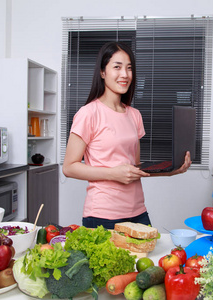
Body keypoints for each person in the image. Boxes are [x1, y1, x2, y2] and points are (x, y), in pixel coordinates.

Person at [62, 42, 191, 229]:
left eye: (129, 68)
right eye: (117, 67)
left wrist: (172, 171)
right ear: (102, 72)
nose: (125, 74)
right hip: (102, 215)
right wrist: (113, 173)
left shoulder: (134, 115)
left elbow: (134, 169)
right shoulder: (88, 113)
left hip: (138, 212)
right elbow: (69, 167)